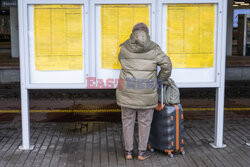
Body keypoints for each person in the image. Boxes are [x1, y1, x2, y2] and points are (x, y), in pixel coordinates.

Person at [116, 23, 172, 160]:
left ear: (133, 33)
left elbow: (120, 60)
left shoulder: (124, 48)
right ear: (147, 34)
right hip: (147, 91)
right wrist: (159, 80)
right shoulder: (154, 49)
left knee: (127, 121)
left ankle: (128, 152)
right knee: (145, 122)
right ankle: (141, 152)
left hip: (127, 91)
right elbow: (167, 65)